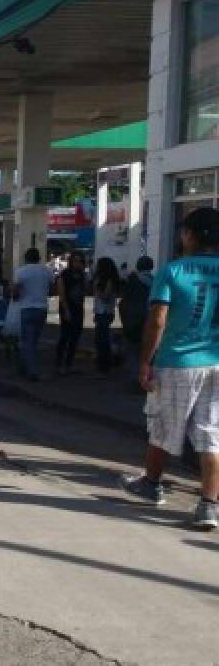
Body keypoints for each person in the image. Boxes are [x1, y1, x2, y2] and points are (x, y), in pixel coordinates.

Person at [121, 207, 219, 530]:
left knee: (162, 426)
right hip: (216, 362)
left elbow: (157, 320)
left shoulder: (173, 271)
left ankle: (151, 484)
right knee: (211, 435)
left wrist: (145, 361)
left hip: (177, 362)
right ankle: (209, 505)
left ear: (189, 235)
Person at [11, 247, 54, 381]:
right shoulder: (47, 271)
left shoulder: (21, 272)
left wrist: (15, 297)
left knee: (27, 341)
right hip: (42, 308)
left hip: (27, 308)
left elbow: (15, 291)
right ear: (38, 258)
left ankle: (31, 371)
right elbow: (52, 289)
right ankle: (23, 367)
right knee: (33, 341)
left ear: (26, 258)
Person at [119, 255, 155, 389]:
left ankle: (136, 382)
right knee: (149, 354)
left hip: (133, 322)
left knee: (133, 353)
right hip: (150, 322)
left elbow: (123, 304)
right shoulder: (156, 281)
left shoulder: (132, 282)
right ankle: (147, 381)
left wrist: (124, 321)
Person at [54, 251, 88, 376]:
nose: (77, 264)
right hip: (67, 308)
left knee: (75, 336)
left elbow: (85, 290)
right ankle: (59, 363)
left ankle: (69, 363)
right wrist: (66, 310)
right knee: (65, 336)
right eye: (75, 261)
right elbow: (62, 294)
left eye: (79, 261)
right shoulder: (64, 275)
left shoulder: (82, 275)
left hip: (78, 307)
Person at [92, 256, 121, 376]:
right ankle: (103, 367)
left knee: (102, 341)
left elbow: (105, 296)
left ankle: (103, 368)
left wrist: (97, 288)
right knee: (101, 340)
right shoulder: (105, 279)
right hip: (102, 312)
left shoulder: (108, 280)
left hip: (104, 312)